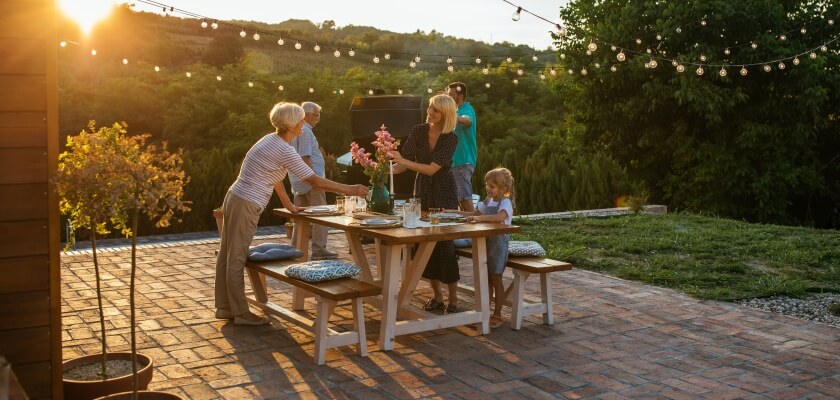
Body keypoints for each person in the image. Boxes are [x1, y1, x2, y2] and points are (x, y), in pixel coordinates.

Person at [215, 102, 368, 325]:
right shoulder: (283, 148)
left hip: (236, 197)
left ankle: (224, 307)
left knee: (228, 254)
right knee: (236, 257)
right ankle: (239, 313)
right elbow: (314, 181)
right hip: (246, 202)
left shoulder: (271, 140)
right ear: (294, 124)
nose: (304, 124)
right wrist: (350, 189)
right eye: (302, 120)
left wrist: (289, 205)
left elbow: (275, 177)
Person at [387, 94, 462, 314]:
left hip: (444, 192)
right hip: (422, 192)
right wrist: (383, 168)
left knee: (445, 245)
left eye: (435, 110)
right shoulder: (418, 131)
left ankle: (454, 298)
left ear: (445, 114)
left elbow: (431, 169)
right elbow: (404, 163)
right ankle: (437, 296)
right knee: (423, 244)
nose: (429, 112)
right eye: (429, 108)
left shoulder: (451, 138)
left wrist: (404, 161)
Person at [463, 167, 515, 328]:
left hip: (498, 247)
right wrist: (452, 212)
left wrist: (478, 219)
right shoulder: (487, 201)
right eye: (487, 185)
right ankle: (485, 310)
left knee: (496, 279)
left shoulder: (505, 203)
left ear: (503, 188)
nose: (488, 188)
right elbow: (474, 214)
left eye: (492, 186)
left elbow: (499, 217)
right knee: (486, 279)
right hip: (485, 244)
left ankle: (498, 314)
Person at [289, 101, 336, 260]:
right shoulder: (306, 132)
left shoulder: (295, 131)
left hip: (297, 180)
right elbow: (305, 158)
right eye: (316, 115)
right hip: (311, 181)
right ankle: (319, 249)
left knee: (300, 219)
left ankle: (296, 250)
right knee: (321, 215)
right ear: (307, 115)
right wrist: (314, 180)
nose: (318, 119)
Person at [447, 82, 477, 212]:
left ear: (459, 96)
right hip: (456, 163)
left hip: (463, 161)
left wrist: (450, 114)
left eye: (450, 95)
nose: (448, 97)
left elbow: (467, 120)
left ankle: (477, 229)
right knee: (460, 200)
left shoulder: (466, 109)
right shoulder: (457, 111)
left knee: (465, 198)